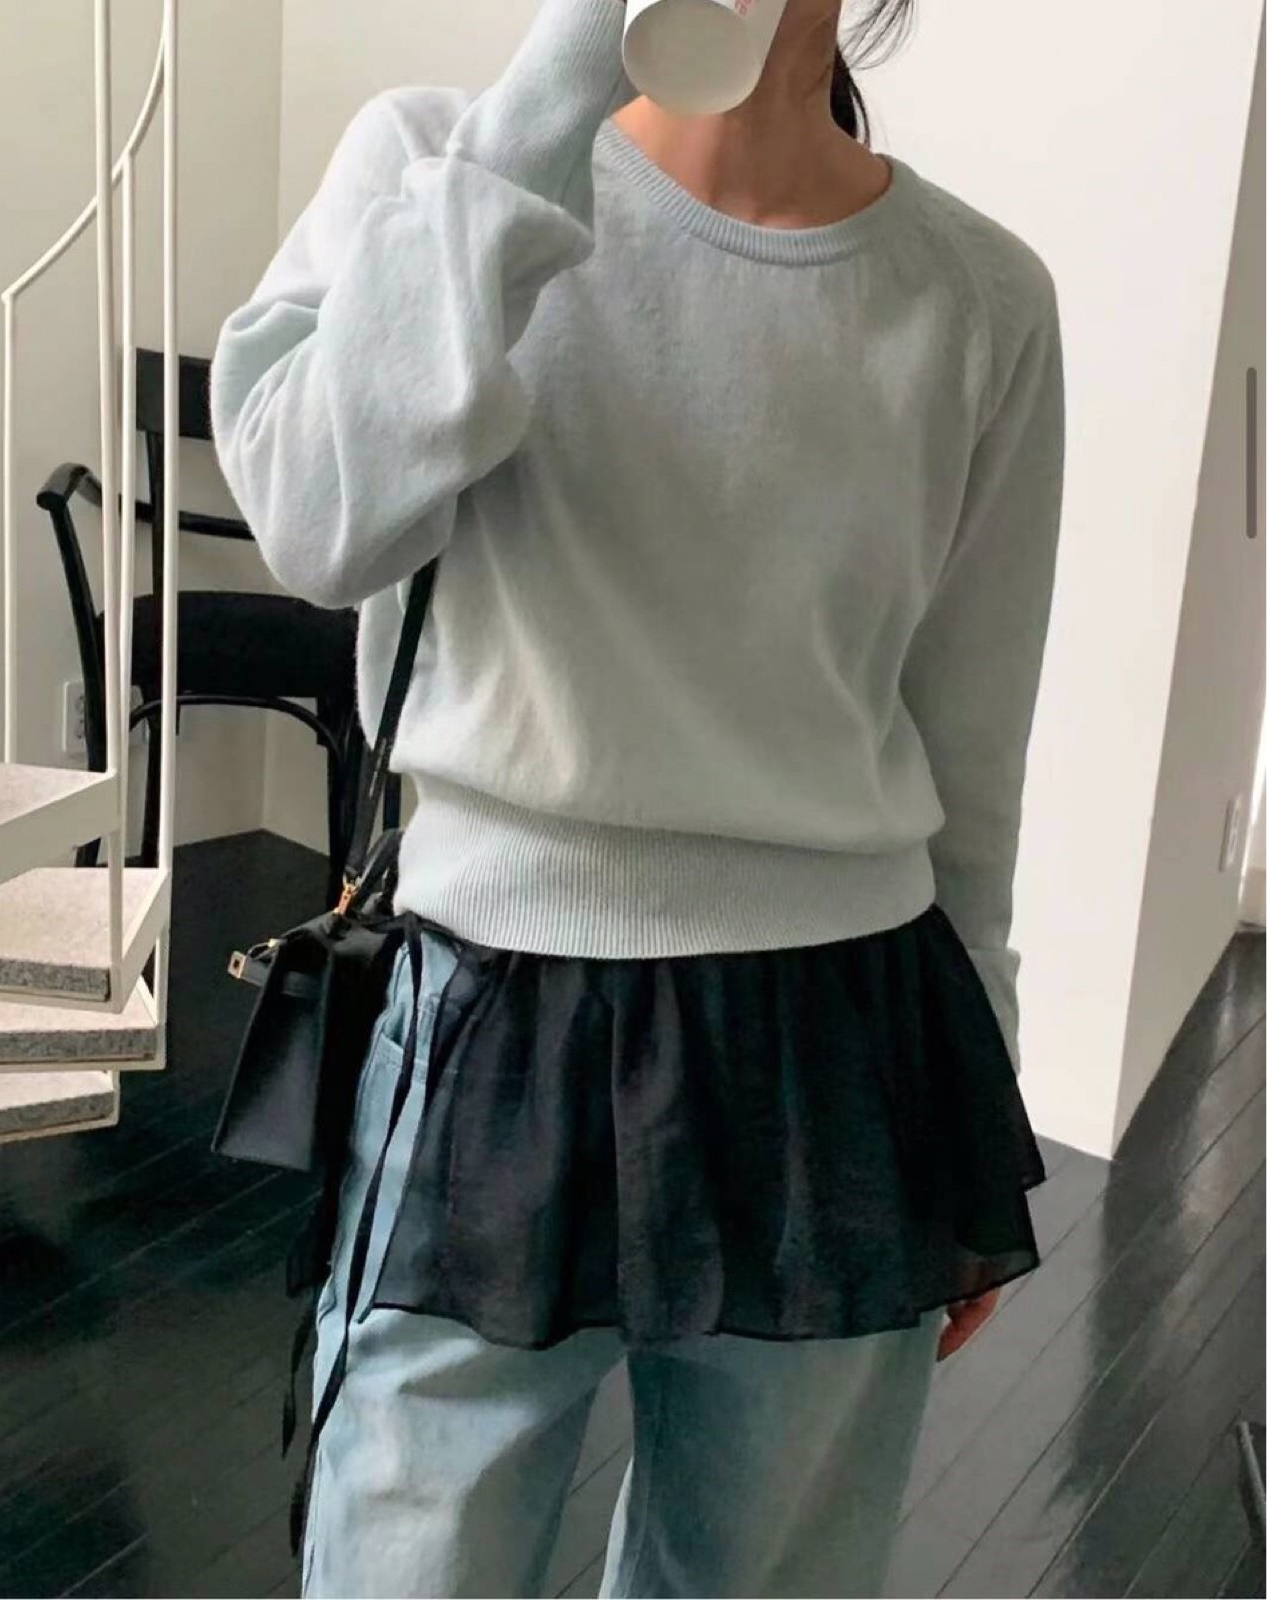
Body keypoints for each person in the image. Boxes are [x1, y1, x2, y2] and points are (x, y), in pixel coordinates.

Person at [211, 0, 1064, 1592]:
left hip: (840, 1041)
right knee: (405, 1561)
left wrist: (976, 1102)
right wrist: (562, 76)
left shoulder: (977, 293)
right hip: (489, 1014)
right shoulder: (438, 163)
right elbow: (320, 524)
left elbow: (971, 742)